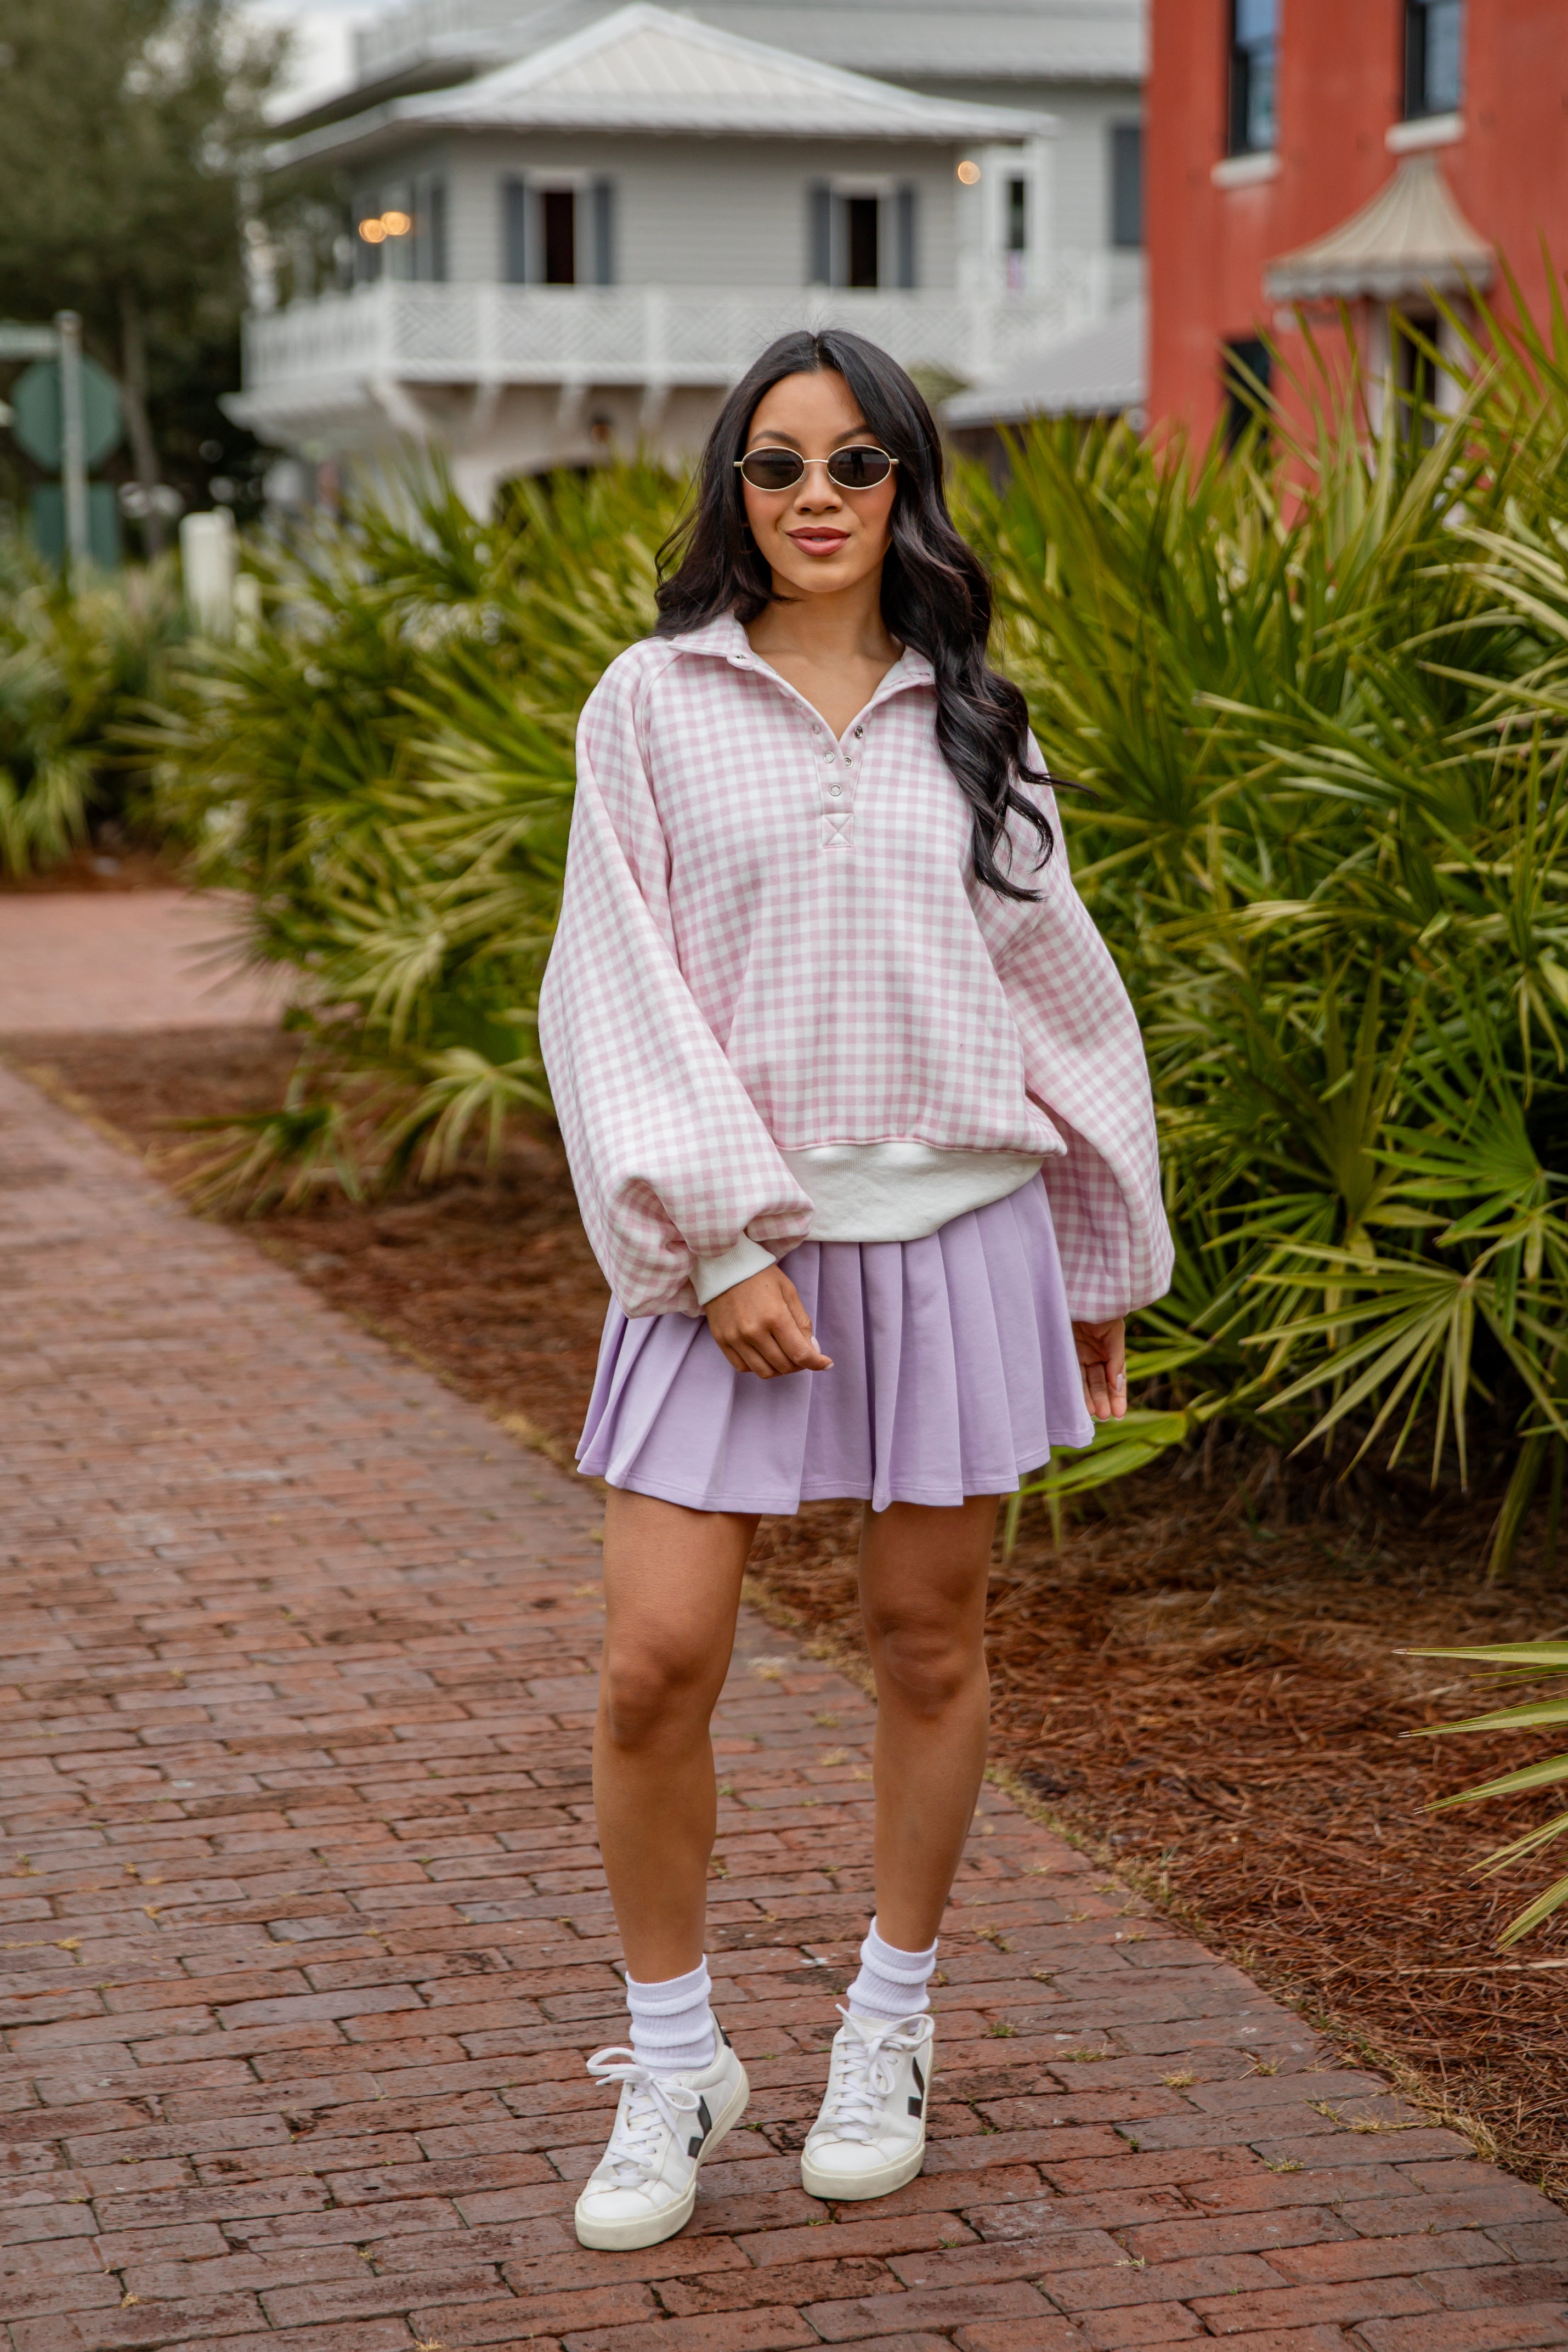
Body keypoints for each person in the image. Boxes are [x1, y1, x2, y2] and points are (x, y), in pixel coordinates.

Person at [537, 327, 1171, 2253]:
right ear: (731, 490)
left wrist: (1096, 1256)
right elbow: (606, 987)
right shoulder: (648, 703)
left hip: (960, 1227)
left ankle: (886, 2025)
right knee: (655, 1662)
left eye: (857, 463)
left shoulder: (974, 719)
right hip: (726, 1249)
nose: (815, 497)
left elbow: (1059, 998)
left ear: (907, 489)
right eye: (775, 464)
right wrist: (719, 1241)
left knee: (926, 1640)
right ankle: (672, 2063)